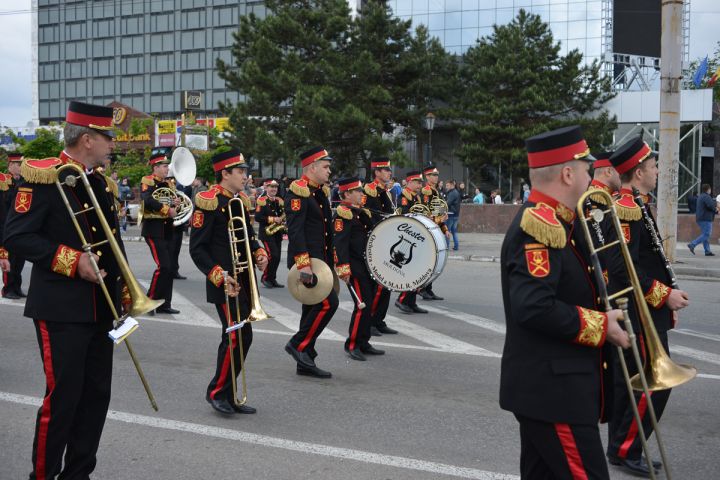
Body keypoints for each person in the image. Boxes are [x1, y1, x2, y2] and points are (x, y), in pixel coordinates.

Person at [4, 101, 131, 480]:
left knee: (95, 399)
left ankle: (78, 474)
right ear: (88, 139)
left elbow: (112, 243)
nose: (113, 145)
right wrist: (72, 261)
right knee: (62, 400)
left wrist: (124, 288)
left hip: (100, 307)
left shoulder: (99, 182)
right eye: (109, 138)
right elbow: (17, 236)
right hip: (61, 308)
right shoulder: (43, 177)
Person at [500, 125, 631, 480]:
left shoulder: (563, 220)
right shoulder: (539, 225)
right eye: (588, 168)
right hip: (554, 394)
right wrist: (603, 326)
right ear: (568, 172)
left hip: (557, 390)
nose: (593, 176)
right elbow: (534, 307)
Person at [605, 137, 691, 475]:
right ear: (639, 171)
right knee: (651, 384)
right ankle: (626, 449)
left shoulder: (636, 202)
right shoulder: (624, 207)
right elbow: (620, 264)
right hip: (638, 311)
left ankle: (620, 448)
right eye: (654, 166)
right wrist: (663, 295)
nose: (657, 171)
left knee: (630, 384)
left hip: (644, 309)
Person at [189, 148, 268, 414]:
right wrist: (219, 275)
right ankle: (217, 392)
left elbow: (250, 237)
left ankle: (229, 392)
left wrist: (259, 251)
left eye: (245, 171)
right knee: (235, 337)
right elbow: (197, 248)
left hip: (245, 281)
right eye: (241, 171)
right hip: (225, 283)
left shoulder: (240, 201)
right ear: (225, 173)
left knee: (244, 337)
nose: (246, 176)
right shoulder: (208, 200)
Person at [284, 146, 338, 378]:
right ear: (312, 167)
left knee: (311, 308)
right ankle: (298, 345)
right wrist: (304, 266)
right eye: (325, 167)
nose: (329, 171)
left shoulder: (318, 192)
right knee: (327, 305)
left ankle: (305, 362)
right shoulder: (299, 192)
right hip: (307, 263)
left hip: (320, 263)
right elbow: (295, 232)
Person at [333, 177, 386, 361]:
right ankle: (353, 344)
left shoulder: (359, 211)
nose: (362, 194)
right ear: (347, 193)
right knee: (362, 305)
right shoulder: (343, 213)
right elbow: (339, 243)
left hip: (367, 266)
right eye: (358, 191)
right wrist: (343, 268)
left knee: (369, 304)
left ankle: (364, 341)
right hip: (354, 267)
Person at [361, 158, 399, 336]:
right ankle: (369, 322)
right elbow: (363, 215)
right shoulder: (369, 191)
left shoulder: (386, 192)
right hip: (375, 240)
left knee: (387, 285)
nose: (389, 173)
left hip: (386, 240)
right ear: (377, 172)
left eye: (389, 170)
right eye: (385, 170)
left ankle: (379, 320)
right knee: (379, 286)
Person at [141, 152, 181, 315]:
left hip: (167, 230)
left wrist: (176, 203)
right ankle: (148, 302)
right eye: (164, 166)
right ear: (155, 168)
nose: (167, 169)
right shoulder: (147, 181)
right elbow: (148, 200)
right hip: (154, 229)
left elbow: (174, 205)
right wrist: (167, 209)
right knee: (163, 266)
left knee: (170, 268)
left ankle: (164, 304)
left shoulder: (169, 184)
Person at [394, 171, 428, 314]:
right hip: (407, 237)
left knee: (417, 270)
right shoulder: (403, 197)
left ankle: (411, 302)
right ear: (409, 182)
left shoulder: (416, 198)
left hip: (416, 236)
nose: (420, 185)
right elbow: (405, 214)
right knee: (410, 271)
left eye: (421, 183)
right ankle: (402, 299)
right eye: (418, 182)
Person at [418, 165, 451, 301]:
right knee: (428, 262)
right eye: (433, 175)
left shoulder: (436, 191)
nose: (436, 177)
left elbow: (439, 214)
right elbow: (426, 214)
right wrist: (439, 219)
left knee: (434, 262)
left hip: (435, 228)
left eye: (437, 175)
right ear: (427, 177)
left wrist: (445, 229)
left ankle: (428, 289)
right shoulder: (426, 192)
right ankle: (422, 288)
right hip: (428, 229)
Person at [2, 152, 26, 299]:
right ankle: (7, 288)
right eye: (19, 165)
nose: (21, 167)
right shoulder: (4, 181)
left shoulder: (21, 181)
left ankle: (16, 287)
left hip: (20, 226)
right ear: (11, 165)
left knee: (19, 260)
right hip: (6, 225)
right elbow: (8, 202)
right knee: (9, 260)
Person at [256, 179, 285, 288]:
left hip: (277, 232)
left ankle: (272, 279)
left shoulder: (279, 201)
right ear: (266, 188)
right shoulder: (261, 201)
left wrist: (284, 218)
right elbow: (258, 217)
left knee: (277, 257)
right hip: (266, 233)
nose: (274, 189)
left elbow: (281, 214)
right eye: (271, 187)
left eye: (275, 187)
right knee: (273, 255)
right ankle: (265, 278)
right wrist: (273, 219)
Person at [688, 184, 718, 256]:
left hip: (700, 218)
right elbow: (710, 205)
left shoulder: (701, 196)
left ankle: (707, 251)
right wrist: (715, 209)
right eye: (710, 189)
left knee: (705, 235)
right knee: (707, 234)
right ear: (708, 190)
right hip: (705, 218)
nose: (710, 191)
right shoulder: (707, 196)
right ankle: (692, 244)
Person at [445, 180, 460, 251]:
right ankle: (456, 246)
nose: (446, 187)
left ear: (452, 186)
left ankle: (446, 247)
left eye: (447, 185)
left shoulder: (452, 193)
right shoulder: (456, 192)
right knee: (454, 231)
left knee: (447, 230)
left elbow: (447, 204)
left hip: (451, 214)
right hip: (456, 214)